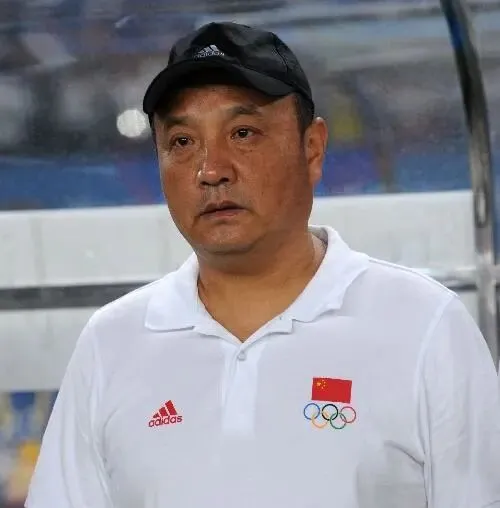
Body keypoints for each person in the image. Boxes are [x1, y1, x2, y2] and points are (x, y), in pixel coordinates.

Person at [25, 21, 500, 508]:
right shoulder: (112, 343)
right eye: (182, 142)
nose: (212, 170)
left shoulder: (423, 326)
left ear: (312, 149)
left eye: (243, 133)